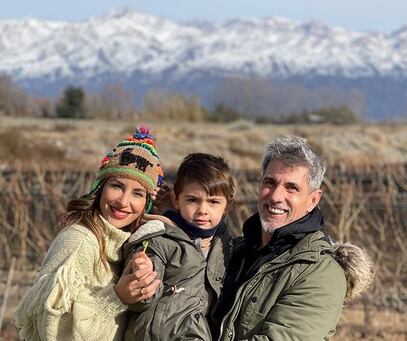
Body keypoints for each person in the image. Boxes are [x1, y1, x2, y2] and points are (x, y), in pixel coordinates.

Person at [212, 136, 375, 340]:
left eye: (292, 188)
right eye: (270, 182)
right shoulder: (232, 251)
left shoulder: (321, 273)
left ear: (313, 200)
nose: (276, 196)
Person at [14, 126, 163, 340]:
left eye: (137, 193)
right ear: (99, 188)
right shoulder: (79, 240)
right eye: (116, 186)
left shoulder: (123, 244)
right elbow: (52, 328)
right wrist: (116, 298)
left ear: (146, 204)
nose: (123, 201)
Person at [123, 153, 235, 341]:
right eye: (192, 200)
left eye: (213, 202)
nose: (203, 210)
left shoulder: (225, 247)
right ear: (176, 200)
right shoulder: (160, 238)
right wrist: (142, 276)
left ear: (227, 207)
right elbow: (141, 300)